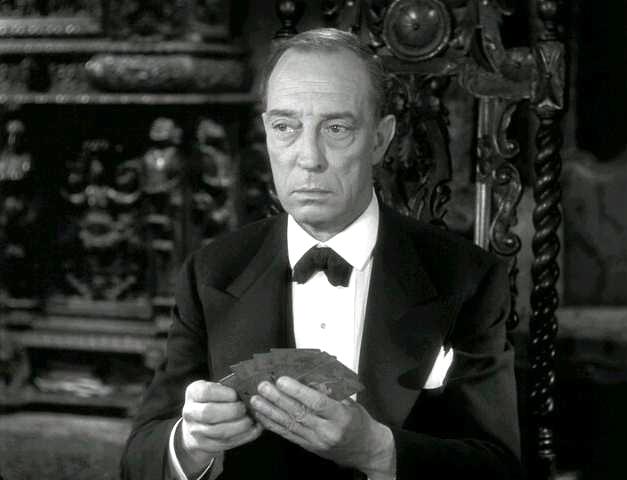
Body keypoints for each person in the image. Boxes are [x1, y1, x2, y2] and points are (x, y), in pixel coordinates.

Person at [121, 28, 521, 480]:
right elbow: (138, 460)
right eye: (285, 128)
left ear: (380, 139)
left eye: (336, 128)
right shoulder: (211, 272)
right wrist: (190, 443)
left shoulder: (467, 278)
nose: (308, 158)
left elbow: (500, 468)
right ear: (266, 133)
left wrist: (379, 452)